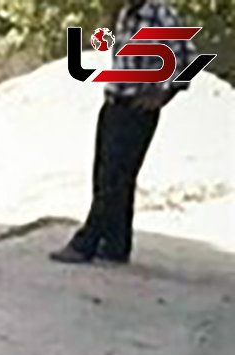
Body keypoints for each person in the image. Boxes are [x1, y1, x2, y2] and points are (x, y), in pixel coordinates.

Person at [49, 0, 197, 265]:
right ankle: (117, 243)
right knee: (111, 175)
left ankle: (86, 243)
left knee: (112, 178)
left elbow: (187, 58)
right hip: (114, 102)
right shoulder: (126, 14)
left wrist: (163, 94)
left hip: (137, 108)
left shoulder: (159, 14)